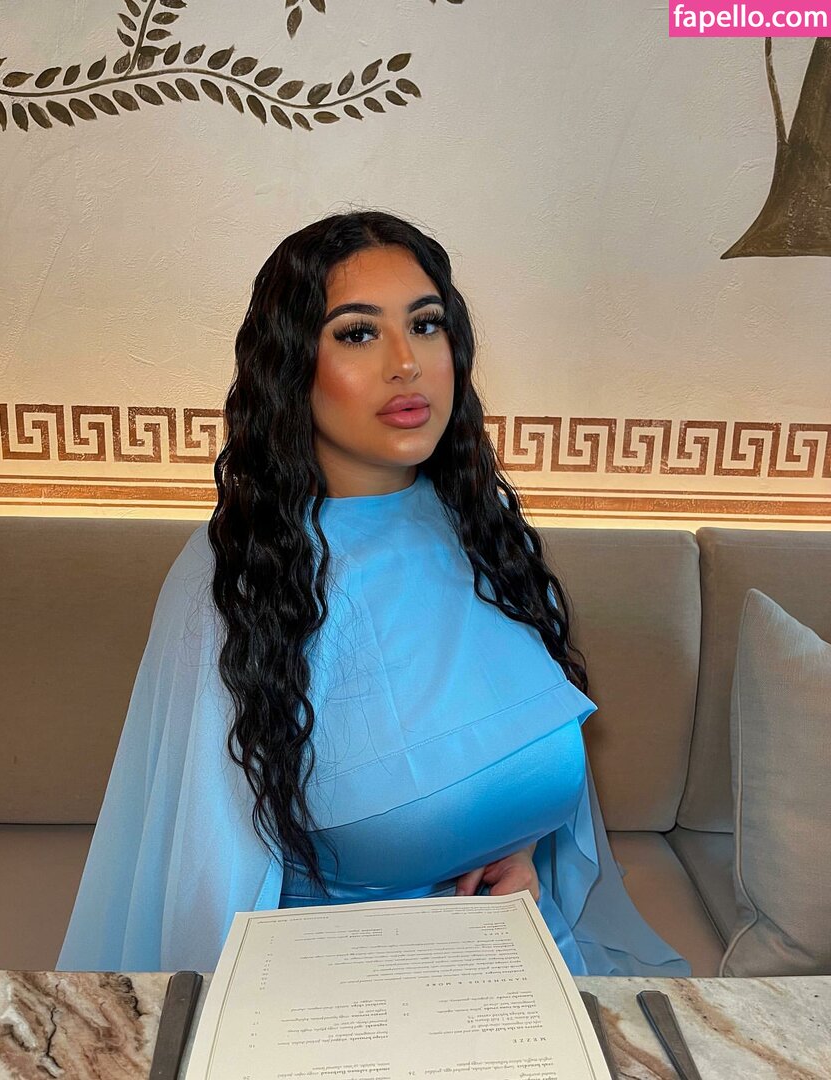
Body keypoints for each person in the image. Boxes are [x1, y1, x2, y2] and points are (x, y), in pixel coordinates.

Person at [57, 210, 689, 976]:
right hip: (332, 990)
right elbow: (205, 878)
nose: (406, 363)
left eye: (426, 325)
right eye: (358, 333)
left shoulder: (489, 532)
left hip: (521, 964)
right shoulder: (237, 578)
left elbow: (525, 763)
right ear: (292, 365)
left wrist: (520, 858)